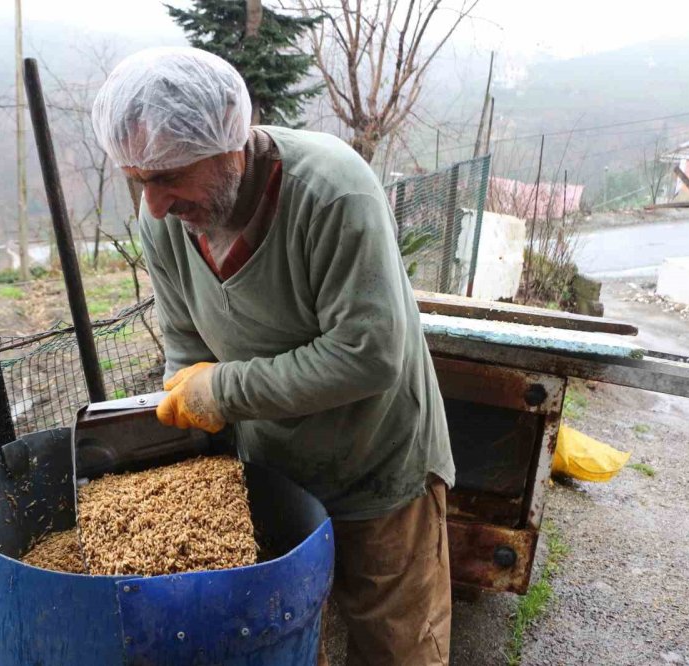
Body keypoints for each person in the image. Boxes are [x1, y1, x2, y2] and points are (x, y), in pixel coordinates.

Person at [91, 47, 455, 666]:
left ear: (229, 147)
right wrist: (188, 420)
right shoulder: (165, 223)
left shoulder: (331, 193)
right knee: (284, 640)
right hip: (274, 471)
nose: (153, 204)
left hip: (377, 464)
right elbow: (186, 344)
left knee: (398, 646)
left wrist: (222, 393)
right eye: (139, 180)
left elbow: (368, 356)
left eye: (168, 176)